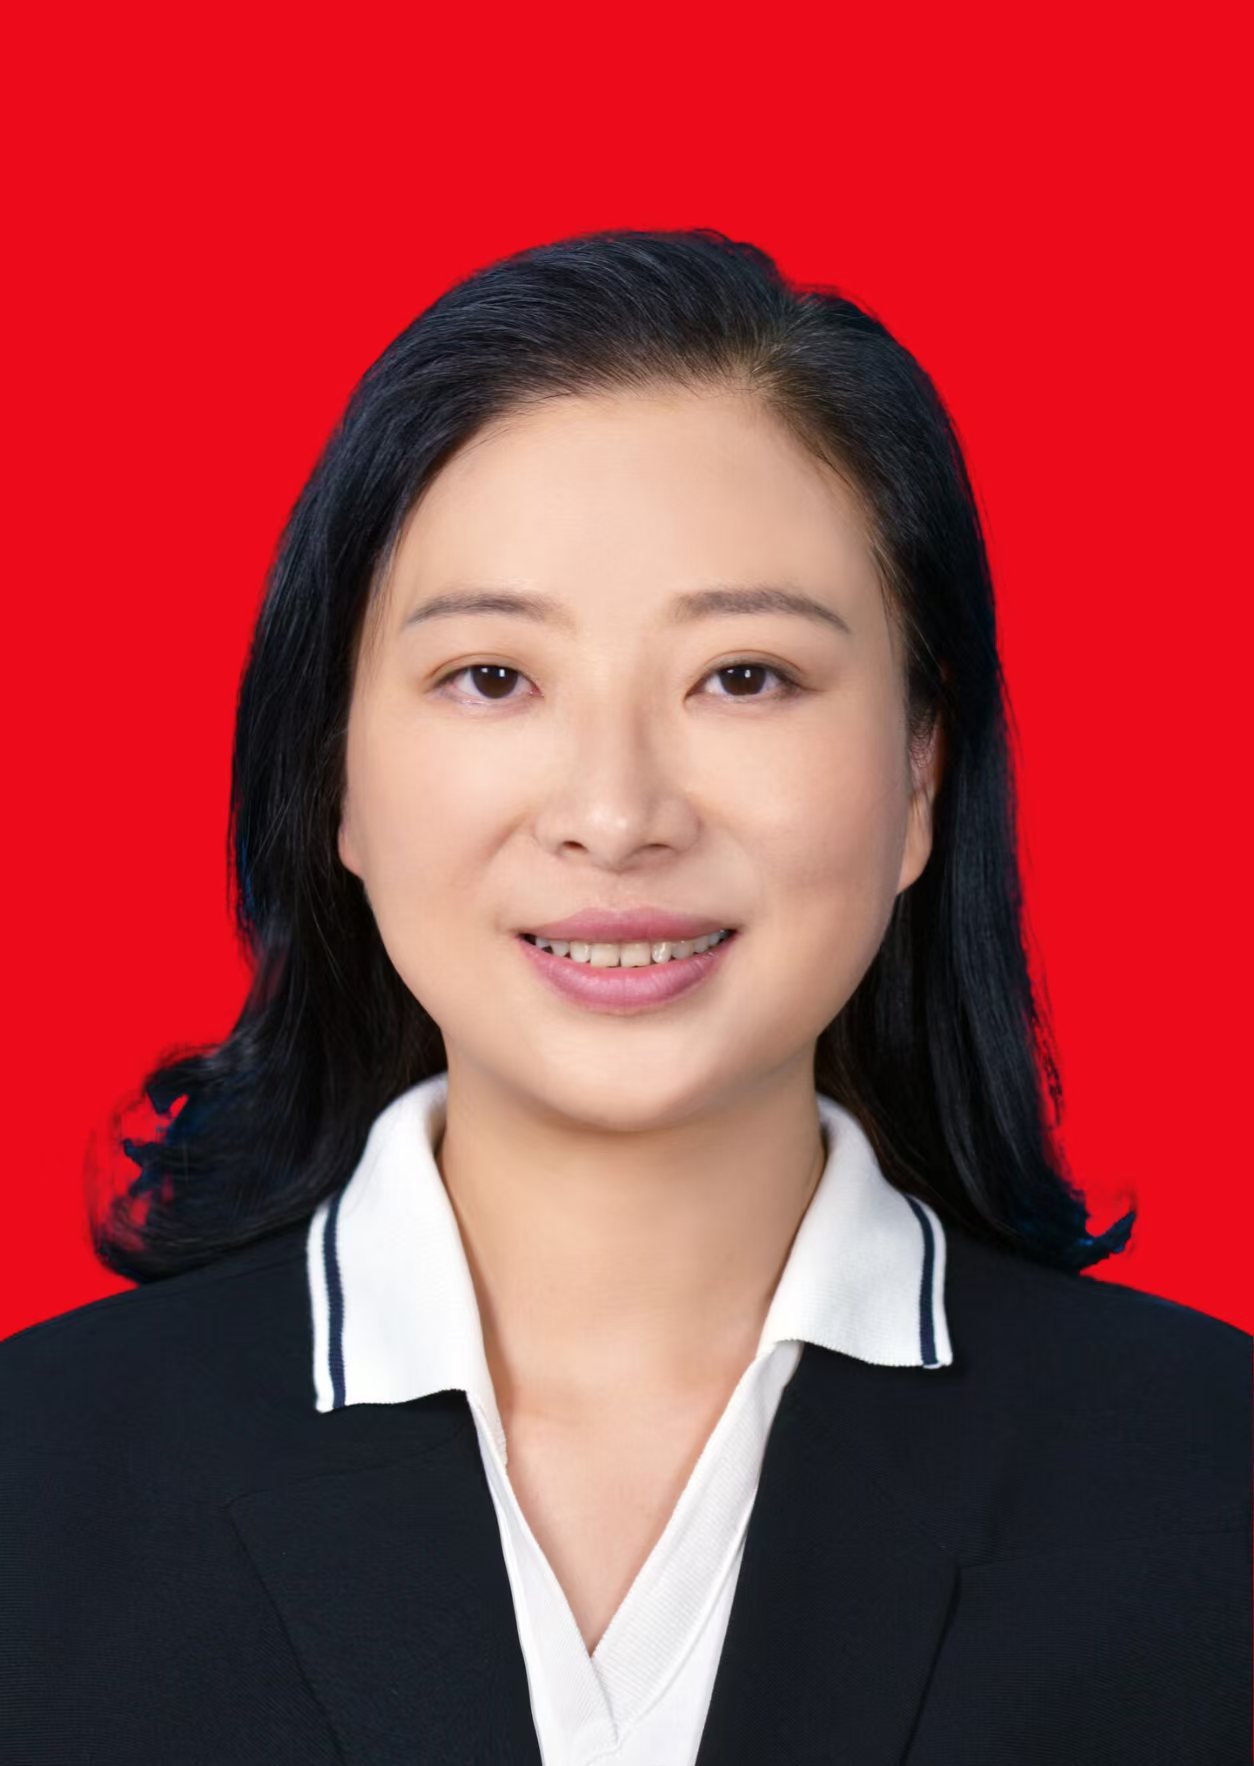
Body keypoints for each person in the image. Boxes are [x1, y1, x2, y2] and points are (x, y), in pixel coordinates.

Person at [1, 229, 1248, 1766]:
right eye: (492, 677)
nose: (614, 812)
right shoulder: (32, 1480)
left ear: (920, 769)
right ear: (337, 778)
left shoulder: (1212, 1477)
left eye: (743, 676)